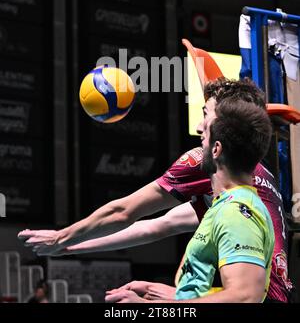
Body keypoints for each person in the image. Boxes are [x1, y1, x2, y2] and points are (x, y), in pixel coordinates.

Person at [18, 78, 293, 302]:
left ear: (219, 143)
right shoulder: (233, 194)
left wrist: (62, 237)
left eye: (205, 116)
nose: (198, 128)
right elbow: (159, 225)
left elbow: (123, 210)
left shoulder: (234, 206)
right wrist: (72, 245)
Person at [105, 99, 275, 303]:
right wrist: (169, 296)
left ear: (216, 149)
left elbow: (244, 297)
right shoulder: (222, 205)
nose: (199, 133)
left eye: (205, 133)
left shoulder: (237, 213)